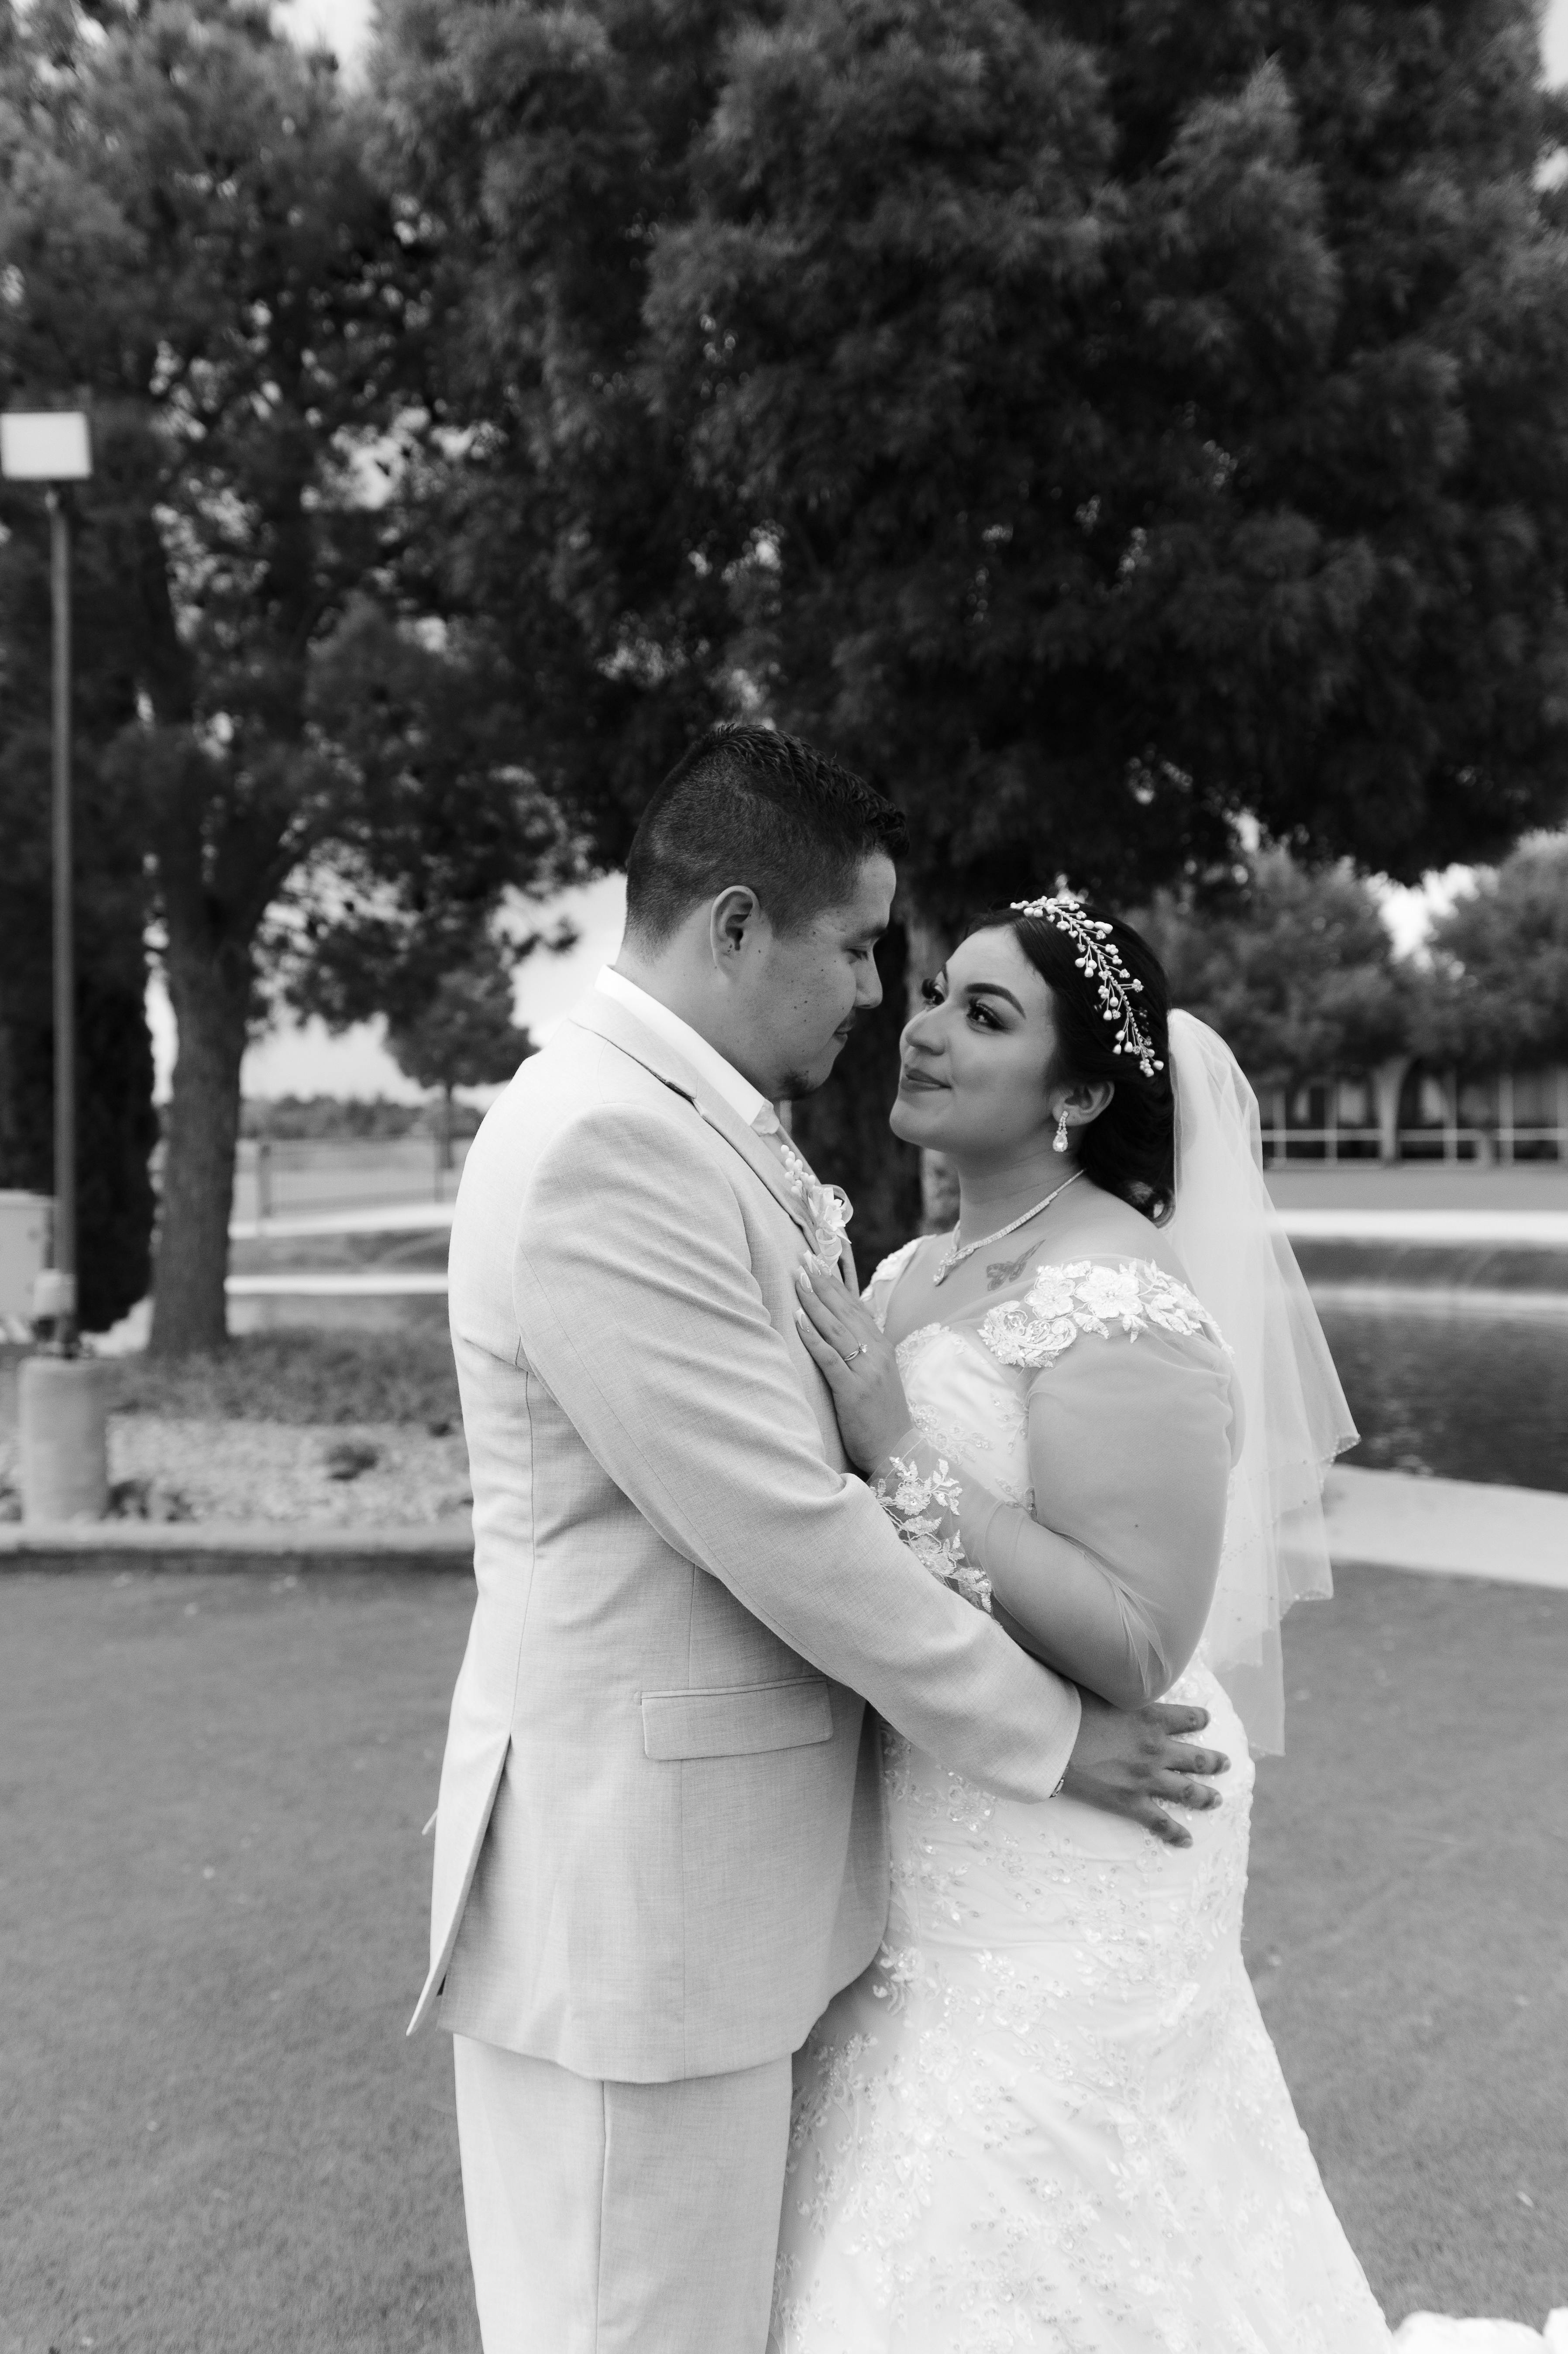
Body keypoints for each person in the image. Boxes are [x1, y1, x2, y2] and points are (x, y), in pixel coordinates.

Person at [410, 727, 1226, 2354]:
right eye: (860, 950)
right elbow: (785, 1530)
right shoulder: (608, 1147)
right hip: (647, 1901)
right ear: (733, 928)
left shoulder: (686, 1118)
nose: (884, 998)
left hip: (751, 1893)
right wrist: (1053, 1739)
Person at [775, 898, 1533, 2353]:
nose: (923, 1026)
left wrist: (897, 1447)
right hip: (940, 1839)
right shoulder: (909, 1273)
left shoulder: (1117, 1293)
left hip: (1089, 1844)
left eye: (987, 1016)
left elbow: (1135, 1638)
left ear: (1077, 1093)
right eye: (936, 992)